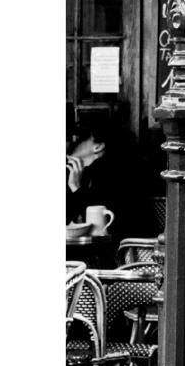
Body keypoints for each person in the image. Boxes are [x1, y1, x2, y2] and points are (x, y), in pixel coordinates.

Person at [66, 104, 153, 267]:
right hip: (113, 253)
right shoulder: (85, 173)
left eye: (79, 138)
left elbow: (99, 221)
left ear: (98, 146)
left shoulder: (113, 171)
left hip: (124, 256)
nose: (71, 143)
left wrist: (76, 188)